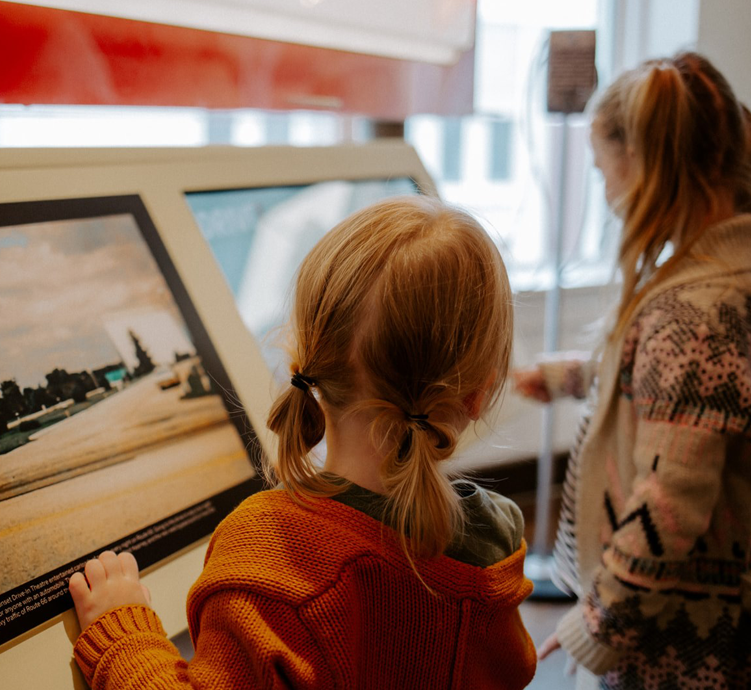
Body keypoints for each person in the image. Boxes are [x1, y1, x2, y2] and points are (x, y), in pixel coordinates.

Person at [67, 195, 537, 689]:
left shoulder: (268, 556)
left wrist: (122, 635)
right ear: (478, 394)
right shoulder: (494, 547)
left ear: (305, 354)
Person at [515, 52, 751, 689]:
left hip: (686, 649)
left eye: (602, 170)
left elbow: (669, 508)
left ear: (643, 164)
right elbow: (697, 396)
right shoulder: (729, 280)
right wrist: (571, 377)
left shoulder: (692, 314)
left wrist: (591, 627)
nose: (606, 192)